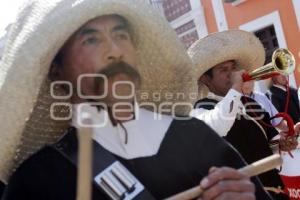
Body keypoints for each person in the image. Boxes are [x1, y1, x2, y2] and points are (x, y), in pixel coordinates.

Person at [0, 1, 272, 200]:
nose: (115, 51)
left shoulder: (196, 138)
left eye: (121, 35)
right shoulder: (37, 181)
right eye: (91, 40)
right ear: (56, 69)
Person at [188, 30, 298, 200]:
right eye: (224, 70)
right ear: (205, 79)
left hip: (274, 189)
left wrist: (281, 144)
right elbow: (220, 125)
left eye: (233, 69)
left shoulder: (250, 103)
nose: (232, 75)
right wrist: (236, 88)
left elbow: (267, 141)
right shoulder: (201, 110)